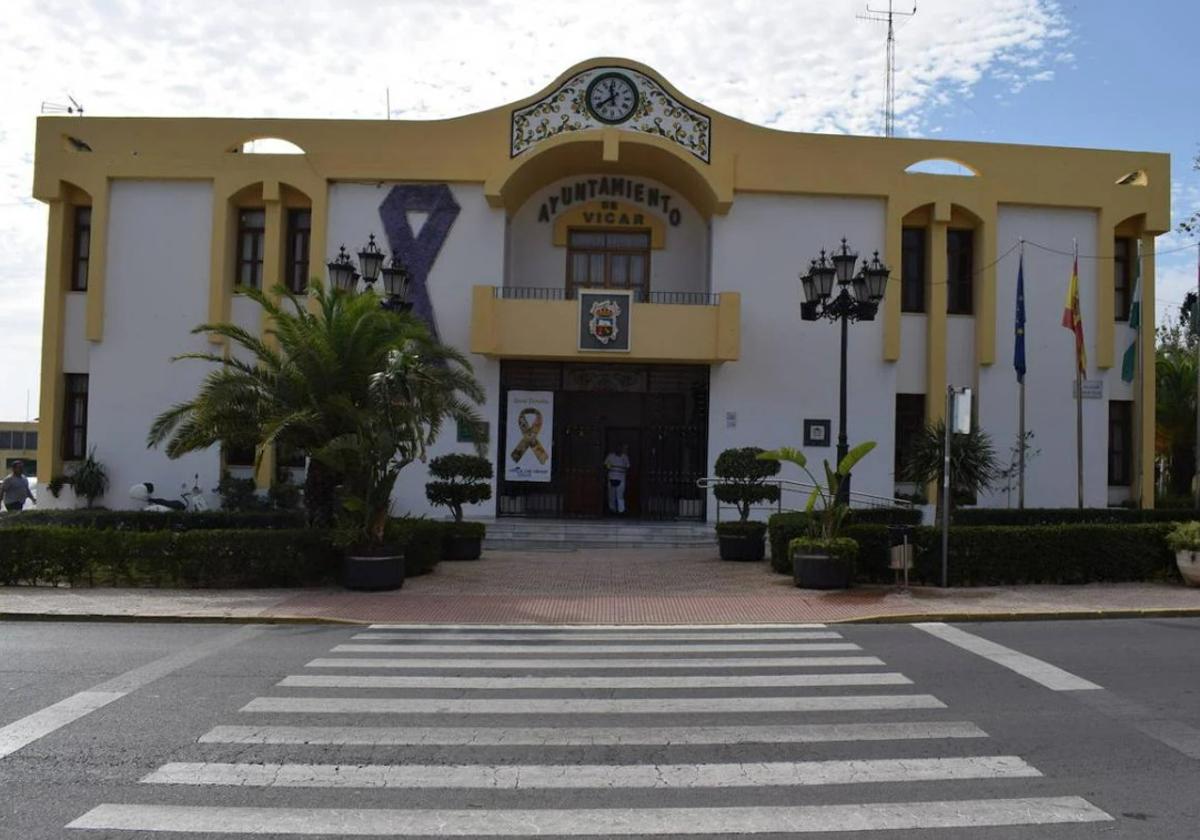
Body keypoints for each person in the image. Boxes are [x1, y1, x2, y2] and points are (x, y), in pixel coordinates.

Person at [603, 444, 631, 516]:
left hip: (621, 477)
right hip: (611, 477)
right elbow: (606, 466)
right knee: (611, 495)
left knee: (620, 495)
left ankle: (621, 511)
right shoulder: (610, 456)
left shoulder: (625, 457)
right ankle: (612, 510)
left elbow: (628, 467)